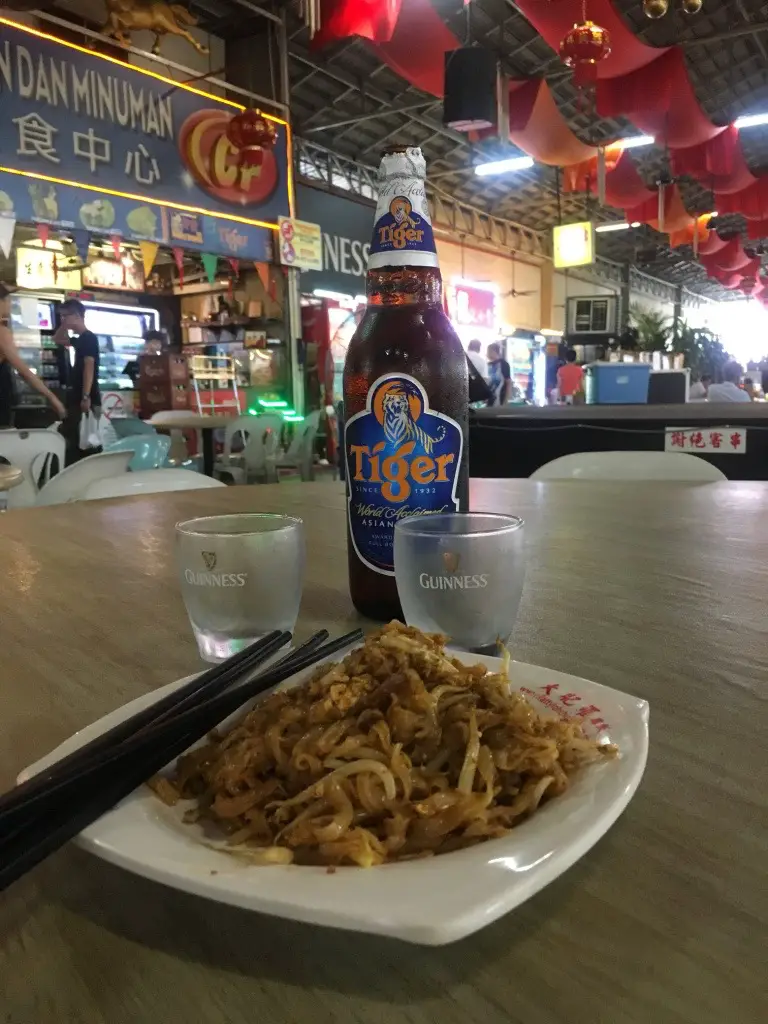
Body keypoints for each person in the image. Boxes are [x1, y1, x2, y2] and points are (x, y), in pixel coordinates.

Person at [0, 284, 65, 428]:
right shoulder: (2, 333)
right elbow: (24, 372)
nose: (10, 304)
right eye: (8, 299)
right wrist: (52, 398)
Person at [55, 298, 102, 463]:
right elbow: (58, 339)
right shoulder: (81, 339)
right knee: (81, 439)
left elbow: (89, 367)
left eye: (65, 316)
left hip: (86, 397)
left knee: (83, 440)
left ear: (76, 316)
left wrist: (86, 396)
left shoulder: (88, 338)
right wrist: (64, 324)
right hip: (80, 396)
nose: (63, 320)